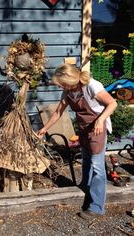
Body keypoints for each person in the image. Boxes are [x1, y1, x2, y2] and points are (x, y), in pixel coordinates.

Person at [37, 63, 117, 220]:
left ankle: (96, 206)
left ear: (70, 79)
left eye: (62, 83)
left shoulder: (91, 86)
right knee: (86, 161)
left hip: (97, 129)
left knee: (97, 167)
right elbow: (59, 111)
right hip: (83, 128)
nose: (61, 87)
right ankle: (85, 189)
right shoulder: (68, 92)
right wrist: (44, 128)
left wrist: (100, 120)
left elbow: (113, 103)